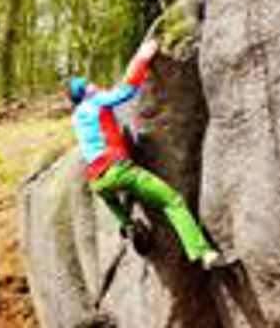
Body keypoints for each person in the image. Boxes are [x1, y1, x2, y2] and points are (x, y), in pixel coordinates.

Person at [67, 39, 222, 269]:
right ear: (86, 93)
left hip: (98, 182)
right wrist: (142, 57)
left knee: (114, 198)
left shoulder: (76, 117)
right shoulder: (96, 102)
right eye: (90, 85)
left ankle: (127, 224)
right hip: (120, 171)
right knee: (173, 201)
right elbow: (127, 91)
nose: (95, 85)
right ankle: (202, 252)